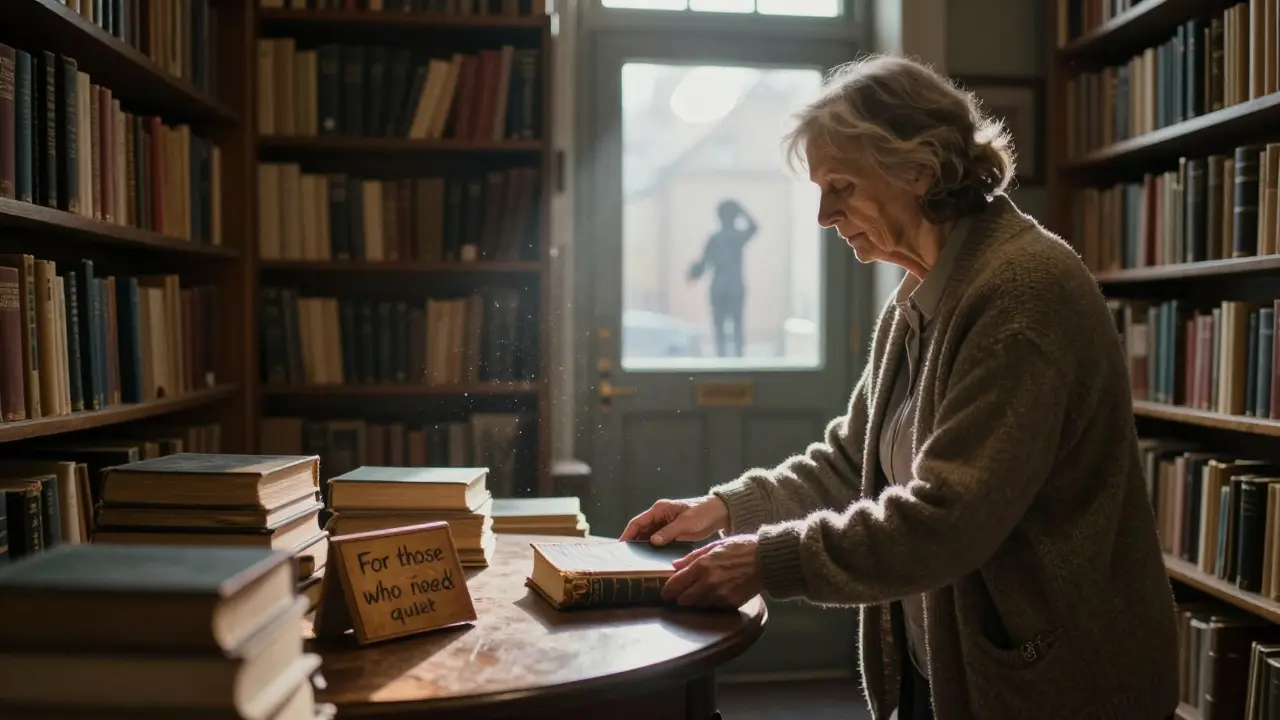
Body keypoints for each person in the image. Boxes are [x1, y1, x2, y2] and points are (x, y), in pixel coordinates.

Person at [621, 54, 1178, 720]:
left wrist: (764, 561)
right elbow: (853, 460)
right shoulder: (920, 291)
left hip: (1053, 682)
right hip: (943, 666)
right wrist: (722, 508)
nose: (825, 215)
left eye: (842, 186)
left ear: (921, 170)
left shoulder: (1025, 294)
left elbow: (950, 517)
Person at [688, 199, 757, 357]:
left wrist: (693, 273)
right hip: (734, 289)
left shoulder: (714, 239)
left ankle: (722, 360)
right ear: (735, 217)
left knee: (720, 330)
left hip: (719, 289)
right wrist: (742, 211)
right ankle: (738, 362)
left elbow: (703, 265)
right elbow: (754, 227)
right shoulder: (737, 237)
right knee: (737, 328)